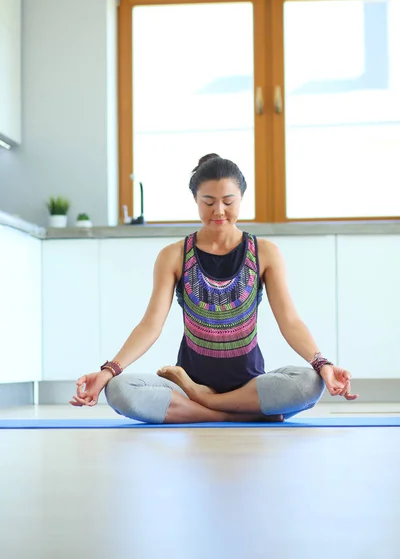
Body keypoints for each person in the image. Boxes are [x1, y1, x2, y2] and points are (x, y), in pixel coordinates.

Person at [70, 154, 358, 423]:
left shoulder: (265, 253)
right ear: (195, 199)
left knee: (309, 384)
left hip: (249, 387)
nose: (218, 211)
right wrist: (109, 371)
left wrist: (323, 365)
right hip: (187, 383)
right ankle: (231, 414)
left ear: (242, 198)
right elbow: (150, 325)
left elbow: (291, 322)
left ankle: (205, 404)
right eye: (208, 202)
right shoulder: (173, 256)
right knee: (120, 390)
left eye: (228, 201)